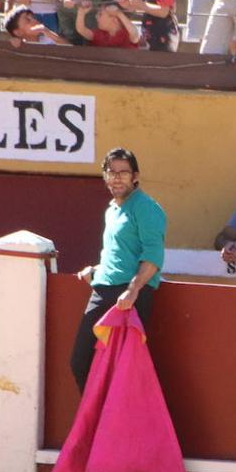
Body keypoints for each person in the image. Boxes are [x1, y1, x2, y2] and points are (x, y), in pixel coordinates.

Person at [70, 148, 166, 393]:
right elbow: (121, 252)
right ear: (104, 176)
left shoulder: (146, 207)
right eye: (111, 172)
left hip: (130, 295)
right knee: (82, 361)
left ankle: (114, 427)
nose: (117, 177)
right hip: (103, 289)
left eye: (123, 172)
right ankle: (99, 424)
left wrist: (133, 291)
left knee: (124, 369)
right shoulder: (112, 210)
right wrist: (96, 268)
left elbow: (153, 255)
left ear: (135, 176)